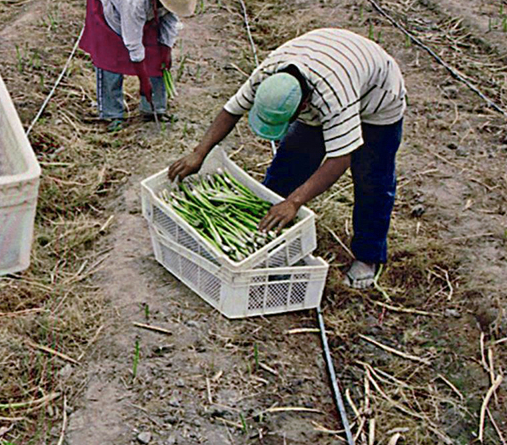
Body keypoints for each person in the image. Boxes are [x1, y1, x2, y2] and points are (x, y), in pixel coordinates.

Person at [168, 27, 406, 289]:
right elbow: (232, 110)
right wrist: (199, 153)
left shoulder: (333, 98)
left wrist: (295, 201)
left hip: (377, 98)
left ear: (303, 106)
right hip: (330, 63)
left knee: (371, 177)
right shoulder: (268, 76)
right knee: (290, 161)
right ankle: (267, 234)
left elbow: (340, 158)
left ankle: (368, 256)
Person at [80, 0, 198, 129]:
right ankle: (112, 114)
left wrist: (166, 50)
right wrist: (143, 81)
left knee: (156, 56)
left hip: (138, 2)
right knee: (110, 55)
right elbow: (133, 42)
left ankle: (154, 109)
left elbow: (170, 21)